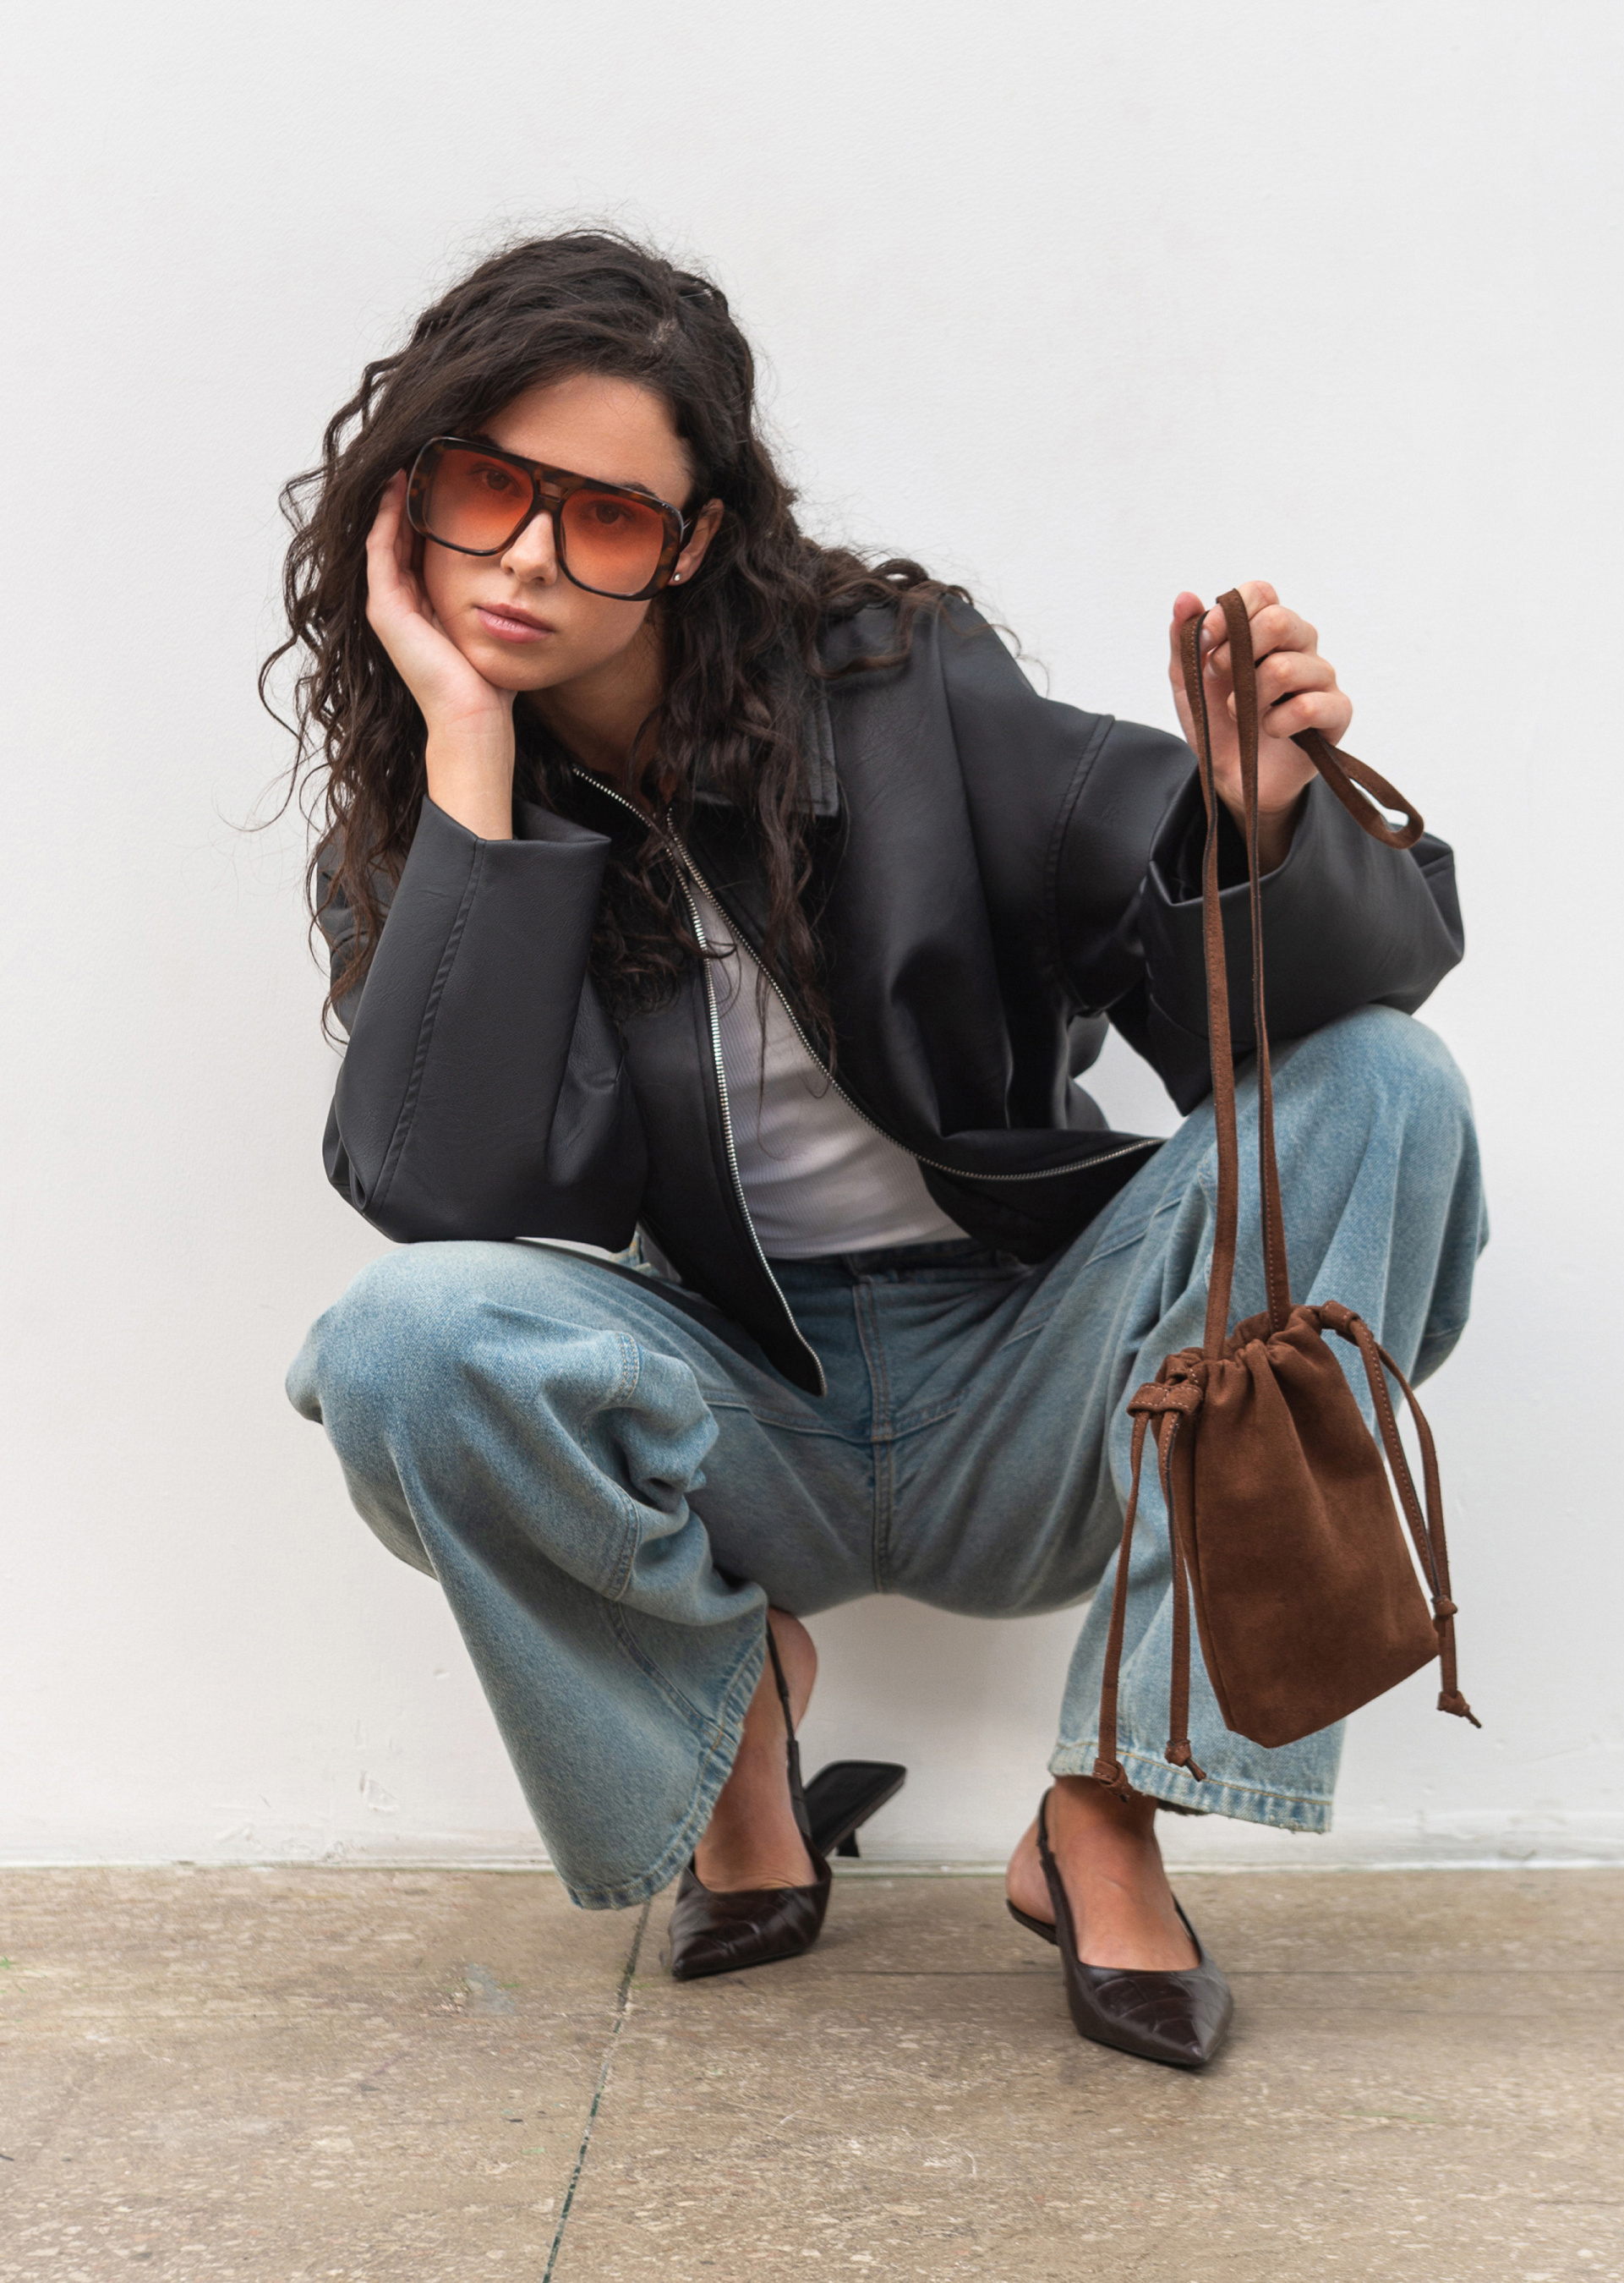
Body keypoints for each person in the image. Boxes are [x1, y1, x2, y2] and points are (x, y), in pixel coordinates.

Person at [275, 230, 1483, 2071]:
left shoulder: (898, 689)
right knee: (398, 1342)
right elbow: (447, 1201)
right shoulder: (427, 821)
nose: (525, 557)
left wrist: (1252, 825)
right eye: (488, 488)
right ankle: (732, 1728)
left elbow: (1259, 1039)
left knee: (1384, 1082)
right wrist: (466, 752)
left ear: (691, 540)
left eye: (604, 515)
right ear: (407, 496)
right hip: (734, 1419)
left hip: (1038, 1377)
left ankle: (1105, 1808)